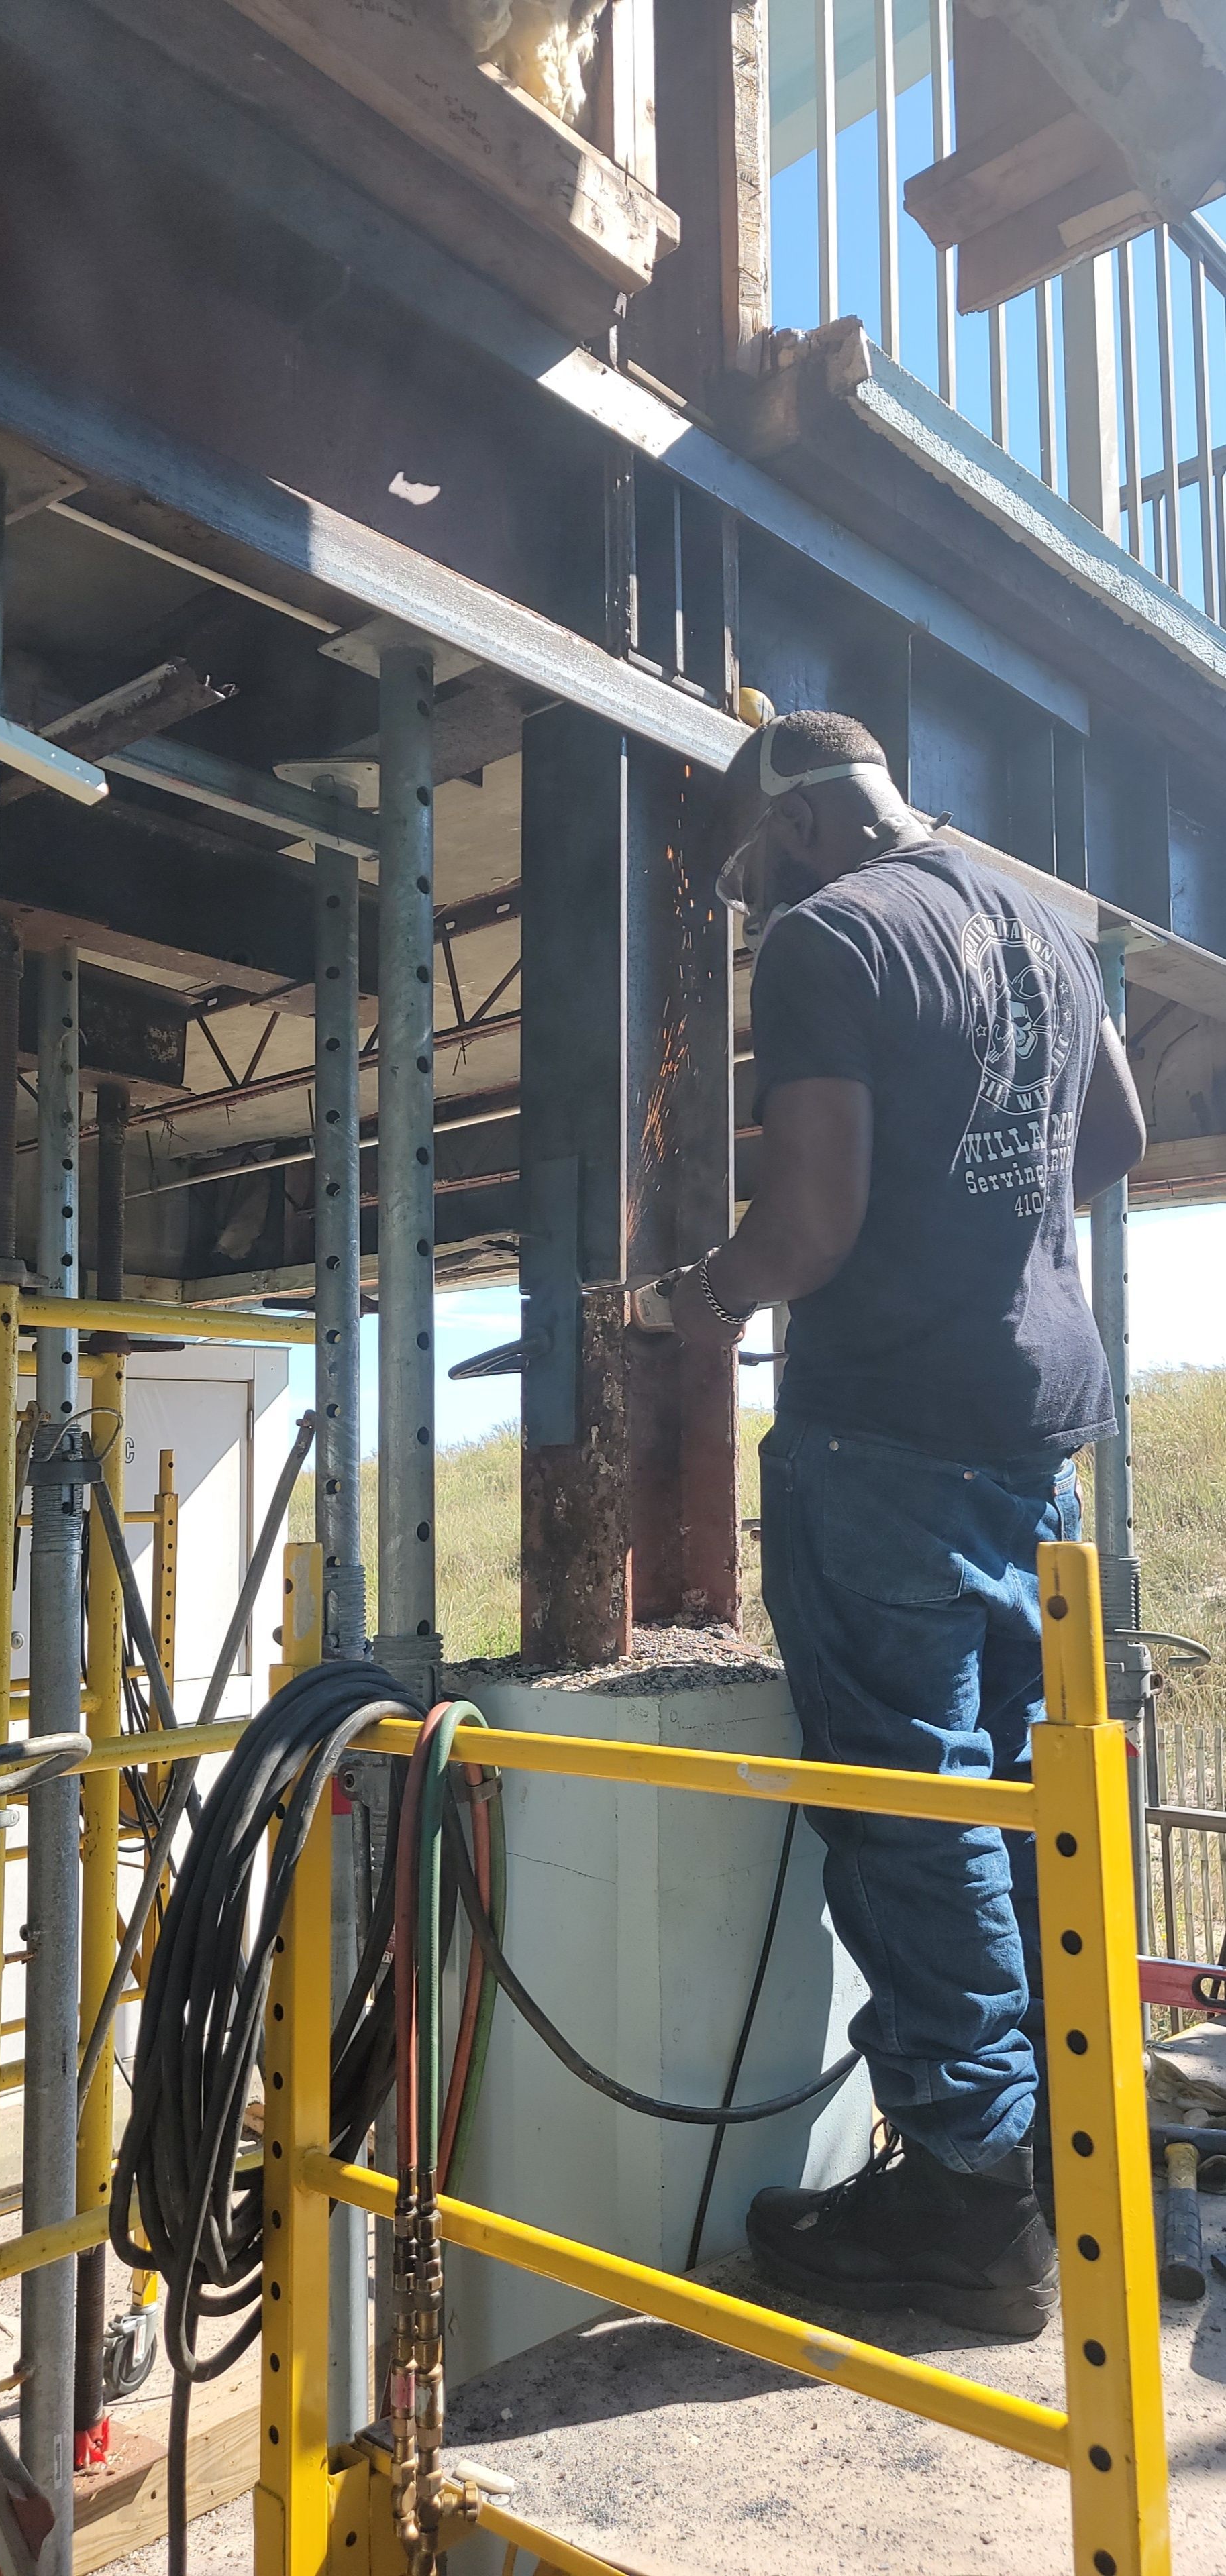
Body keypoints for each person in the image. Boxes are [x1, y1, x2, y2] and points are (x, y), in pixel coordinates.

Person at [668, 708, 1146, 2339]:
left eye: (747, 871)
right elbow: (1117, 1143)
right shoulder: (1044, 923)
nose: (751, 903)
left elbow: (804, 1227)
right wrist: (977, 1240)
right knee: (1027, 1797)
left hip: (881, 1437)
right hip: (1034, 1426)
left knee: (908, 1805)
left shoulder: (828, 935)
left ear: (798, 825)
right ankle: (1062, 2163)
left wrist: (695, 1300)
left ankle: (961, 2199)